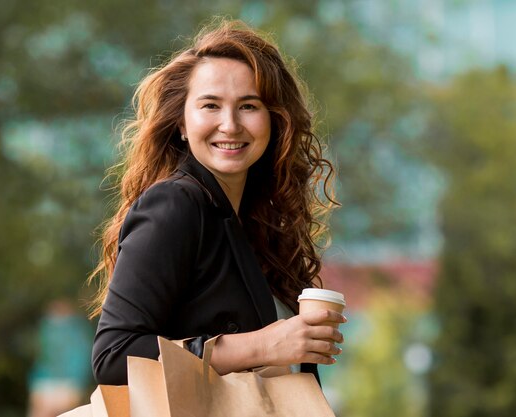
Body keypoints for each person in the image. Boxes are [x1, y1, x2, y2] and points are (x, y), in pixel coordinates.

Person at [88, 19, 345, 386]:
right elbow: (115, 355)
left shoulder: (257, 222)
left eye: (249, 106)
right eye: (210, 105)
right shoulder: (174, 205)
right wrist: (262, 346)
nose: (230, 124)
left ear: (274, 121)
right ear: (181, 123)